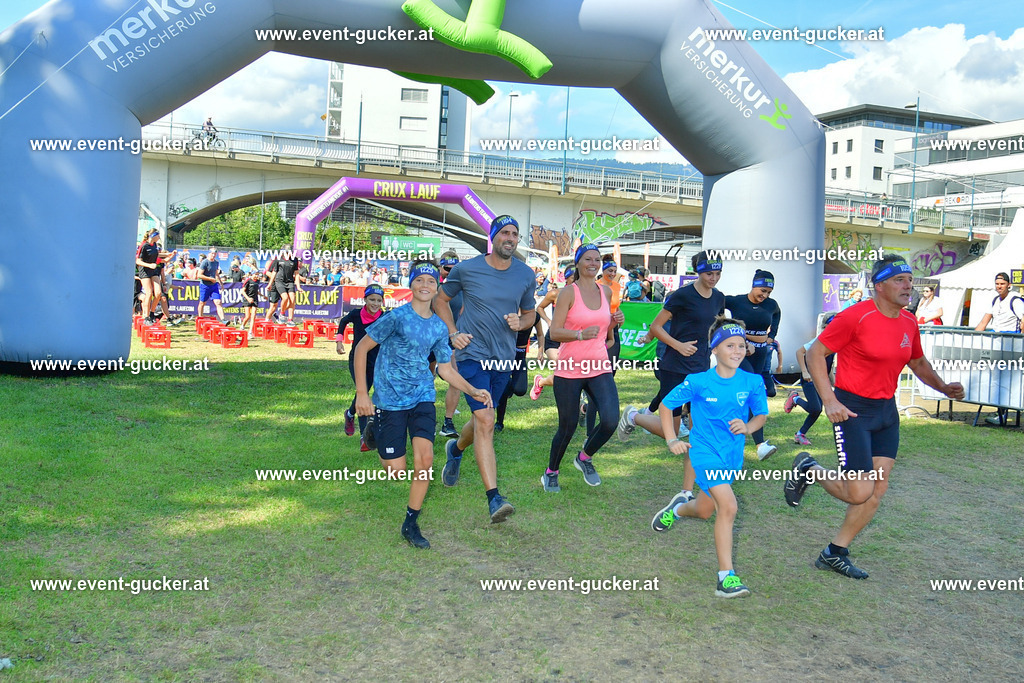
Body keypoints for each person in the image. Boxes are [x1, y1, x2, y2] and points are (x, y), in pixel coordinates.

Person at [787, 254, 965, 579]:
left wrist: (943, 387)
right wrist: (828, 400)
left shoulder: (909, 322)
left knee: (877, 490)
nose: (908, 286)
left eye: (910, 280)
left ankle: (834, 552)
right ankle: (809, 468)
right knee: (858, 492)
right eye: (900, 280)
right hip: (852, 410)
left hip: (886, 411)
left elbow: (917, 361)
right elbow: (815, 352)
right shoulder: (856, 317)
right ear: (879, 285)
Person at [354, 261, 492, 549]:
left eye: (431, 281)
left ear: (437, 287)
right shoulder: (396, 317)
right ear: (411, 285)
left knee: (425, 462)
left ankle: (410, 522)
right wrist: (362, 394)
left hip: (422, 398)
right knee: (395, 470)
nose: (426, 285)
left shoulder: (440, 327)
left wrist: (472, 390)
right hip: (390, 400)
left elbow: (445, 369)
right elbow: (362, 348)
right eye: (420, 280)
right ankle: (374, 430)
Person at [648, 317, 768, 598]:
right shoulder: (699, 382)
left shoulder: (752, 381)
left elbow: (761, 414)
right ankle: (726, 578)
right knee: (728, 506)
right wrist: (672, 439)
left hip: (732, 456)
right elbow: (666, 406)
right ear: (714, 349)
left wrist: (749, 427)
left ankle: (675, 511)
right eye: (730, 346)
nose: (737, 351)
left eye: (741, 345)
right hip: (703, 452)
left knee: (704, 510)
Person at [434, 215, 537, 524]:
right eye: (504, 232)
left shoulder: (525, 274)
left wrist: (523, 323)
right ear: (493, 237)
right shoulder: (467, 269)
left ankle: (456, 448)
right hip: (471, 355)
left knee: (483, 422)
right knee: (487, 418)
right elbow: (441, 299)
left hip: (502, 359)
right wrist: (452, 332)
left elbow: (530, 313)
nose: (510, 238)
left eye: (515, 234)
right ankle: (494, 498)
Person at [618, 251, 725, 504]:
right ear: (698, 272)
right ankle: (633, 415)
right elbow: (655, 327)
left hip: (700, 369)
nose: (714, 278)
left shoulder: (719, 298)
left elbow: (717, 326)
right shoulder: (682, 295)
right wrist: (678, 346)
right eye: (709, 273)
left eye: (718, 273)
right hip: (674, 367)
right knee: (674, 429)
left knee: (700, 430)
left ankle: (686, 493)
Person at [541, 244, 620, 492]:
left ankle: (584, 457)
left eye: (597, 259)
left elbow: (607, 336)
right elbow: (554, 331)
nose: (593, 263)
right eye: (588, 259)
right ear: (578, 263)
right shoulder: (567, 293)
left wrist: (616, 322)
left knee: (610, 420)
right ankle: (551, 471)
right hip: (569, 368)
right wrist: (579, 334)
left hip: (598, 364)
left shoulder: (605, 292)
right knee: (568, 425)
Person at [724, 270, 782, 460]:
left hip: (760, 354)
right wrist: (739, 336)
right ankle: (759, 444)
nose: (764, 296)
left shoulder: (771, 305)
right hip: (739, 355)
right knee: (753, 391)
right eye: (762, 290)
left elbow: (777, 315)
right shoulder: (736, 301)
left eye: (768, 292)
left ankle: (757, 444)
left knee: (746, 397)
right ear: (754, 285)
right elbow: (715, 307)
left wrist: (771, 336)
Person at [338, 284, 386, 451]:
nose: (375, 303)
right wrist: (339, 341)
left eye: (378, 300)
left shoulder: (384, 317)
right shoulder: (357, 314)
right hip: (357, 359)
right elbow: (343, 322)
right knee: (362, 392)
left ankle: (350, 414)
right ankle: (363, 438)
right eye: (372, 299)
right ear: (365, 299)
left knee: (364, 392)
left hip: (375, 362)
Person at [974, 272, 1023, 425]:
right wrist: (972, 339)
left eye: (1002, 284)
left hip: (1012, 345)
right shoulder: (995, 300)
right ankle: (1000, 413)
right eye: (997, 284)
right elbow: (983, 322)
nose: (999, 287)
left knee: (1011, 381)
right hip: (997, 346)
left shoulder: (1015, 300)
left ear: (1009, 285)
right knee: (997, 379)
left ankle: (1006, 412)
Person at [784, 314, 837, 446]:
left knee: (817, 409)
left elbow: (827, 366)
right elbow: (799, 352)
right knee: (815, 408)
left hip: (821, 379)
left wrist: (834, 382)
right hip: (809, 378)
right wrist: (804, 371)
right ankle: (795, 398)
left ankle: (800, 434)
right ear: (826, 326)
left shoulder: (835, 343)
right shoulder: (819, 340)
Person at [531, 265, 576, 399]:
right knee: (565, 371)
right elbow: (540, 308)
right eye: (573, 278)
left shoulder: (583, 297)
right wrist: (549, 321)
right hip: (553, 339)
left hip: (571, 338)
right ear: (566, 279)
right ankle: (540, 382)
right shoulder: (555, 293)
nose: (576, 281)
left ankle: (541, 382)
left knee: (573, 373)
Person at [437, 251, 465, 439]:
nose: (450, 272)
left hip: (451, 339)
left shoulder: (463, 289)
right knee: (423, 380)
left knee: (456, 380)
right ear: (441, 268)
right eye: (447, 269)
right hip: (429, 340)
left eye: (454, 269)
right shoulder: (432, 286)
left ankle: (447, 423)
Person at [267, 252, 301, 326]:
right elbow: (274, 272)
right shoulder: (278, 259)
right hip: (280, 281)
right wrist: (270, 284)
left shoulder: (295, 260)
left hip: (290, 281)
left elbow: (297, 274)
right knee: (285, 298)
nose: (289, 254)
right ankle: (282, 313)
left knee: (292, 299)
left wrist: (298, 286)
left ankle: (290, 320)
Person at [197, 247, 226, 323]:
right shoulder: (205, 262)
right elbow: (199, 275)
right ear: (209, 253)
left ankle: (223, 319)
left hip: (214, 286)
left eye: (215, 254)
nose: (213, 255)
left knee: (218, 302)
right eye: (212, 253)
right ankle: (200, 317)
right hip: (205, 285)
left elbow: (216, 274)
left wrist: (221, 283)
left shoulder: (216, 263)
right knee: (202, 302)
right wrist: (210, 279)